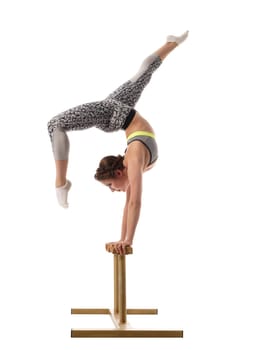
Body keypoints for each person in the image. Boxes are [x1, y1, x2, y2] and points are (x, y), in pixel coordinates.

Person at [47, 31, 189, 254]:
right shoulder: (133, 160)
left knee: (143, 74)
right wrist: (125, 240)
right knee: (55, 124)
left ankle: (172, 43)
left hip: (116, 115)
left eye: (110, 186)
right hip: (114, 114)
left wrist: (126, 240)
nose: (113, 190)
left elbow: (131, 205)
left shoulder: (133, 161)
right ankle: (60, 183)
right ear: (120, 173)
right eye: (111, 186)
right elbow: (133, 204)